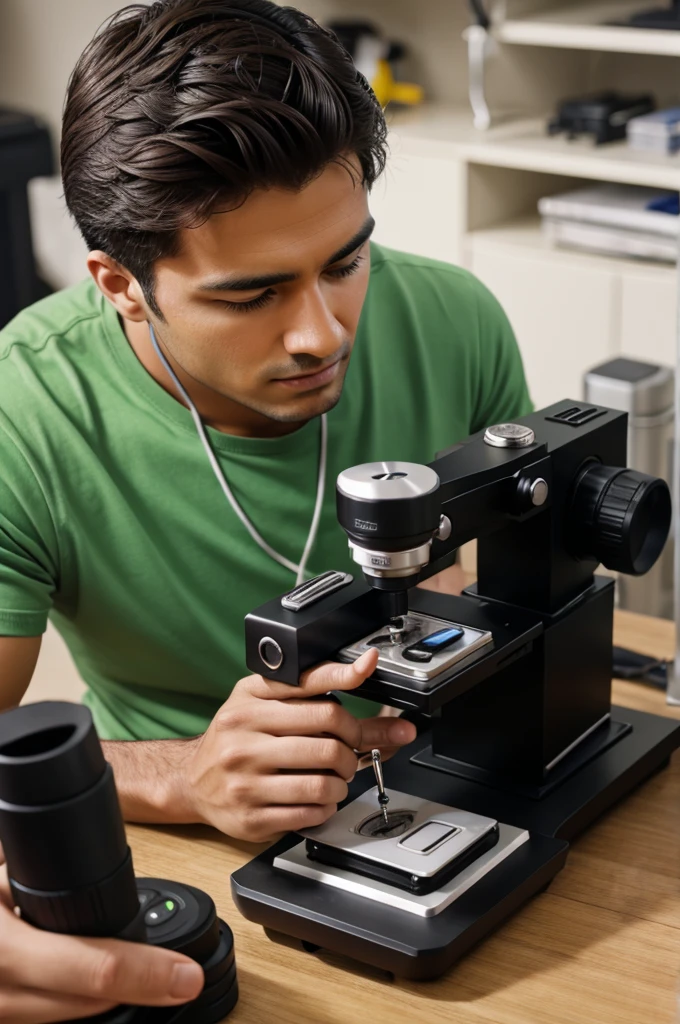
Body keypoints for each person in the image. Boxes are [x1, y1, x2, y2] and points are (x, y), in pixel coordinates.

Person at [0, 0, 531, 1016]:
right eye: (251, 296)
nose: (322, 333)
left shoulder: (455, 319)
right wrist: (183, 775)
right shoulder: (22, 413)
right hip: (192, 869)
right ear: (119, 283)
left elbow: (489, 590)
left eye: (343, 260)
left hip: (456, 821)